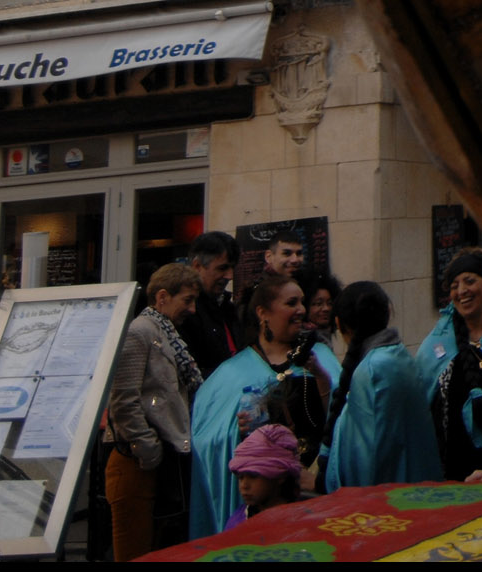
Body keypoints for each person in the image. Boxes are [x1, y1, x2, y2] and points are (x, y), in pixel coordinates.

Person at [186, 275, 340, 538]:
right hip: (257, 505)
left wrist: (321, 379)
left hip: (315, 496)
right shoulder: (230, 375)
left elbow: (341, 422)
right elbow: (207, 440)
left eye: (302, 302)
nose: (302, 310)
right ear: (262, 313)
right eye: (292, 303)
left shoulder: (323, 358)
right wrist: (237, 432)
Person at [104, 262, 205, 561]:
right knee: (135, 553)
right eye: (187, 300)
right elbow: (123, 397)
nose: (193, 309)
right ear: (162, 297)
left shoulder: (164, 331)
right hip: (135, 464)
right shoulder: (140, 331)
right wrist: (146, 447)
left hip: (154, 460)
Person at [322, 282, 441, 489]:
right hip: (421, 490)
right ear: (387, 312)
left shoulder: (371, 370)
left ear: (340, 324)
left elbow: (364, 458)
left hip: (390, 502)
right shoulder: (400, 356)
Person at [419, 252, 482, 480]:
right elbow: (419, 406)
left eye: (470, 281)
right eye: (454, 285)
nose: (462, 291)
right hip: (454, 471)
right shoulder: (437, 344)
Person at [222, 425, 304, 532]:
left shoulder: (303, 523)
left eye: (253, 476)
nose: (244, 485)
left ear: (280, 475)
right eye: (240, 477)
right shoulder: (237, 523)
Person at [183, 232, 241, 377]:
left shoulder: (226, 307)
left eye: (232, 268)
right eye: (222, 268)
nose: (230, 276)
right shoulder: (184, 312)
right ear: (197, 266)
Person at [305, 274, 345, 361]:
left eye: (330, 303)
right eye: (318, 304)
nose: (326, 309)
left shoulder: (330, 336)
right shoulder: (304, 342)